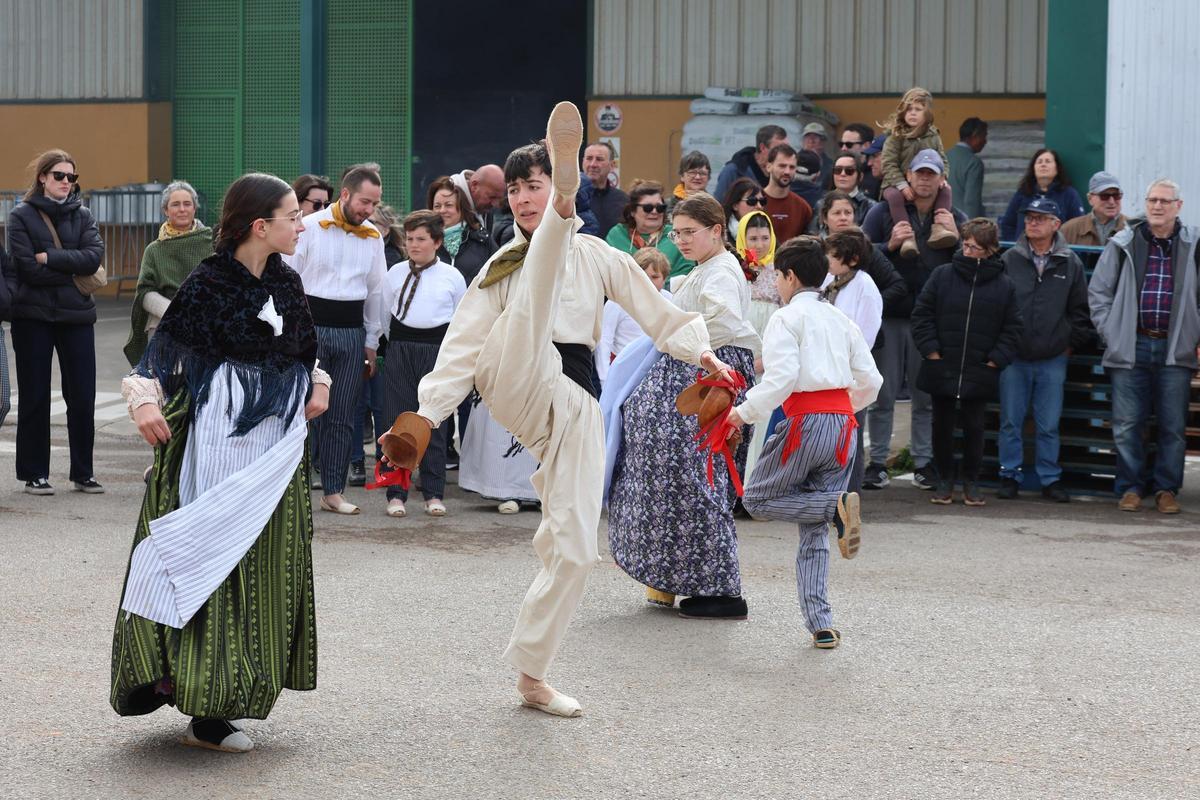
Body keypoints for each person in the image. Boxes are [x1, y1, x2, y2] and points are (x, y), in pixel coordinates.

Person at [411, 103, 722, 716]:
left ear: (549, 185)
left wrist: (706, 357)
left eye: (538, 185)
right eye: (519, 188)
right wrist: (426, 416)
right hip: (517, 370)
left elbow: (660, 317)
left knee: (575, 550)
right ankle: (568, 201)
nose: (524, 196)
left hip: (577, 402)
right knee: (532, 288)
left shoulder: (604, 258)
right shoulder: (499, 268)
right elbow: (462, 348)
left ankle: (532, 673)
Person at [111, 172, 331, 753]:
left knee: (262, 565)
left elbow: (305, 351)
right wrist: (144, 403)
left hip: (277, 446)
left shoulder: (286, 282)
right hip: (217, 437)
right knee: (209, 561)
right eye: (292, 215)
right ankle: (203, 707)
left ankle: (231, 694)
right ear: (262, 226)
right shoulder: (209, 282)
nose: (301, 224)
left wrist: (319, 379)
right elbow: (157, 360)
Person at [608, 192, 760, 620]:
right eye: (677, 232)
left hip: (711, 373)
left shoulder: (723, 271)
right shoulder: (704, 269)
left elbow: (725, 322)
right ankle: (672, 575)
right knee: (677, 469)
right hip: (696, 368)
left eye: (690, 232)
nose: (682, 240)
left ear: (717, 231)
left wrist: (678, 336)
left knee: (698, 475)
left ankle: (718, 586)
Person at [730, 236, 882, 649]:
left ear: (790, 277)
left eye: (777, 275)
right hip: (843, 424)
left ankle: (834, 508)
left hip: (807, 422)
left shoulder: (786, 318)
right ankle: (821, 623)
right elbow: (872, 381)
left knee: (757, 499)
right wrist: (844, 407)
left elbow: (779, 380)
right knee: (814, 529)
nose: (776, 283)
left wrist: (740, 413)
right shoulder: (841, 319)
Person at [1088, 179, 1200, 514]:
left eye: (1165, 201)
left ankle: (1166, 490)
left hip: (1174, 349)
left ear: (1178, 206)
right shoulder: (1124, 242)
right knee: (1126, 424)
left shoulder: (1194, 245)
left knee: (1172, 426)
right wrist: (1113, 333)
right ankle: (1131, 487)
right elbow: (1099, 294)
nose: (1157, 206)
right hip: (1131, 346)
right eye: (1152, 200)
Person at [861, 149, 968, 491]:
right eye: (919, 173)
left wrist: (959, 238)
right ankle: (877, 462)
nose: (924, 179)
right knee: (884, 393)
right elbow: (858, 255)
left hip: (932, 320)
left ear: (941, 178)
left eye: (931, 174)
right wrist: (889, 244)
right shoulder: (882, 212)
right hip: (890, 316)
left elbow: (971, 262)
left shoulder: (953, 214)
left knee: (925, 396)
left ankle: (923, 462)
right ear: (908, 175)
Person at [284, 164, 387, 515]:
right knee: (301, 411)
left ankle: (333, 490)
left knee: (343, 412)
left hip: (351, 331)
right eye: (364, 202)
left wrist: (372, 341)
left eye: (374, 204)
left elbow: (376, 293)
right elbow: (290, 280)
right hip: (310, 329)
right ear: (344, 195)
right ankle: (291, 487)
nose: (368, 210)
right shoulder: (308, 227)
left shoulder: (374, 236)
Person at [6, 149, 105, 495]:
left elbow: (93, 259)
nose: (66, 182)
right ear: (43, 178)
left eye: (71, 177)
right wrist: (70, 267)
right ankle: (34, 473)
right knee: (34, 395)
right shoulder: (21, 216)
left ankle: (83, 472)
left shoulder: (84, 216)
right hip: (32, 316)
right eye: (59, 175)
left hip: (77, 316)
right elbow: (27, 269)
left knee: (82, 395)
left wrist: (50, 258)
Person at [911, 218, 1022, 506]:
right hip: (943, 363)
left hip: (980, 366)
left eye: (975, 247)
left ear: (990, 250)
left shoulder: (1004, 285)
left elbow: (1013, 328)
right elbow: (922, 314)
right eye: (966, 244)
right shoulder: (942, 275)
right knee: (941, 424)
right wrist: (932, 352)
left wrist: (995, 361)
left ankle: (972, 481)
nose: (968, 251)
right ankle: (944, 479)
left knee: (975, 426)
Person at [997, 198, 1090, 503]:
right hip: (1015, 357)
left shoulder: (1070, 261)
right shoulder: (1009, 259)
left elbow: (1079, 310)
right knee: (1011, 420)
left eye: (1041, 218)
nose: (1032, 222)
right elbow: (999, 307)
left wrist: (1068, 345)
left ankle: (1050, 478)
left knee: (1049, 423)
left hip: (1053, 357)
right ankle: (1009, 475)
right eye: (1029, 217)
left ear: (1056, 224)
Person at [379, 211, 466, 518]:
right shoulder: (394, 274)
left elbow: (460, 320)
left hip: (436, 352)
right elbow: (383, 317)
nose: (414, 245)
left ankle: (433, 492)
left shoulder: (452, 277)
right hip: (400, 348)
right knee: (395, 419)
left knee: (434, 421)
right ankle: (396, 492)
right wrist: (395, 345)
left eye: (421, 239)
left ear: (437, 242)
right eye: (410, 239)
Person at [820, 229, 884, 493]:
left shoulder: (865, 286)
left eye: (833, 256)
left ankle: (850, 494)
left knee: (851, 435)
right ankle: (826, 492)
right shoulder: (827, 281)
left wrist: (845, 363)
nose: (828, 261)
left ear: (853, 259)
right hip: (824, 369)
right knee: (827, 435)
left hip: (850, 372)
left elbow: (866, 334)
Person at [124, 181, 213, 367]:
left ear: (195, 208)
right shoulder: (154, 250)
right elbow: (145, 292)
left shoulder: (211, 243)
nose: (182, 209)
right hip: (165, 326)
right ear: (165, 210)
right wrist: (174, 311)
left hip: (207, 325)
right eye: (175, 204)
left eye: (187, 204)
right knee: (167, 389)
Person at [349, 204, 405, 488]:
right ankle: (357, 460)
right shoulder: (354, 251)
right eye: (367, 221)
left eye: (377, 224)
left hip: (384, 345)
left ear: (387, 229)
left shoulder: (396, 259)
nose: (371, 228)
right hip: (355, 335)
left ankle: (385, 461)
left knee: (382, 406)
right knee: (357, 404)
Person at [878, 87, 956, 258]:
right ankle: (907, 236)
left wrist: (943, 177)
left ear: (927, 113)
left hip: (926, 181)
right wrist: (901, 184)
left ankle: (940, 227)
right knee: (894, 197)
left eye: (918, 110)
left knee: (946, 190)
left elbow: (943, 159)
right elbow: (888, 163)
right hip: (895, 182)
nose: (912, 113)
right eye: (909, 109)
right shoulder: (896, 135)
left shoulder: (933, 136)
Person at [817, 191, 908, 315]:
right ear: (824, 218)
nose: (843, 217)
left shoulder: (865, 249)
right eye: (837, 213)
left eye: (848, 213)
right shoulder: (816, 250)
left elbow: (898, 286)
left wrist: (869, 307)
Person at [595, 247, 672, 387]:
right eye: (642, 275)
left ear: (664, 279)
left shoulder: (670, 301)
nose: (648, 281)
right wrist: (604, 378)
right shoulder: (617, 301)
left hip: (658, 371)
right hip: (623, 369)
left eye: (654, 277)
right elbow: (604, 340)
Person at [606, 179, 691, 280]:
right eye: (648, 207)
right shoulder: (617, 235)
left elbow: (685, 273)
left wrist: (655, 288)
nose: (654, 212)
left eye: (660, 208)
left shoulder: (676, 236)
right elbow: (610, 271)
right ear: (632, 211)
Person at [998, 149, 1086, 241]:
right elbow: (1008, 224)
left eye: (1048, 161)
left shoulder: (1069, 194)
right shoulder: (1023, 193)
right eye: (1039, 162)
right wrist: (1015, 247)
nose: (1043, 165)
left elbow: (1078, 226)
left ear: (1057, 168)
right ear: (1033, 168)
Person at [427, 175, 496, 286]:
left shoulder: (483, 240)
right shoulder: (424, 241)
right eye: (437, 206)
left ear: (462, 207)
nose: (442, 210)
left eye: (448, 205)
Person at [714, 123, 788, 204]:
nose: (784, 153)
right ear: (763, 148)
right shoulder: (733, 171)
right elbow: (717, 207)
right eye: (778, 149)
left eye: (787, 149)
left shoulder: (786, 172)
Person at [760, 143, 813, 242]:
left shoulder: (803, 208)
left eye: (792, 167)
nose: (787, 172)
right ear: (768, 167)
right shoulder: (754, 202)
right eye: (782, 166)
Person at [809, 154, 876, 230]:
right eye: (837, 170)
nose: (842, 174)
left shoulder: (870, 206)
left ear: (860, 176)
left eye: (849, 171)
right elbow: (812, 233)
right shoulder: (821, 204)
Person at [1060, 171, 1128, 247]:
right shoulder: (1069, 230)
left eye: (1116, 196)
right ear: (1090, 199)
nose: (1112, 202)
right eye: (1104, 196)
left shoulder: (1134, 229)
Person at [582, 141, 628, 237]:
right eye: (589, 158)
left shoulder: (623, 201)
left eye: (599, 159)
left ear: (612, 165)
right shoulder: (571, 199)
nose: (593, 164)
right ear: (583, 162)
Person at [946, 118, 988, 219]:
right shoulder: (974, 163)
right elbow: (971, 201)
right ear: (975, 136)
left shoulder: (945, 156)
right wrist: (972, 226)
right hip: (963, 222)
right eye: (984, 136)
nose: (985, 141)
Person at [450, 164, 507, 229]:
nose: (495, 204)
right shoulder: (446, 204)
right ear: (474, 186)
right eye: (492, 197)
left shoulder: (484, 209)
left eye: (499, 198)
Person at [722, 177, 766, 247]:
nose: (759, 206)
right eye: (752, 201)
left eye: (762, 201)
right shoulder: (720, 237)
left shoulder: (768, 229)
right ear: (735, 205)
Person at [801, 121, 834, 187]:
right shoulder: (794, 161)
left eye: (815, 137)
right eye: (808, 137)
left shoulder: (831, 166)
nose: (811, 141)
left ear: (823, 141)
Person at [861, 133, 887, 200]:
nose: (869, 163)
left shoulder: (904, 190)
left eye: (874, 156)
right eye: (869, 157)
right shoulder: (878, 183)